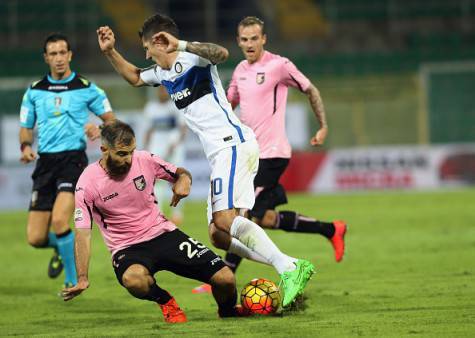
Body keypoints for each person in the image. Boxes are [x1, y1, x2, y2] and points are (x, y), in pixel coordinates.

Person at [96, 13, 314, 308]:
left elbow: (221, 53)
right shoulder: (162, 73)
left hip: (233, 145)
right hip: (221, 154)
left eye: (149, 46)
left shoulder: (193, 59)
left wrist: (181, 44)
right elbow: (135, 76)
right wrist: (110, 51)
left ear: (162, 41)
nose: (146, 53)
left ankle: (288, 269)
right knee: (218, 235)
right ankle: (290, 264)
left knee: (226, 220)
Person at [61, 120, 248, 322]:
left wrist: (184, 182)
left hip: (164, 234)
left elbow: (181, 173)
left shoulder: (144, 160)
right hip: (127, 248)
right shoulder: (87, 183)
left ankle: (228, 312)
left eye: (132, 151)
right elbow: (83, 232)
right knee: (134, 280)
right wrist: (82, 278)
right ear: (104, 150)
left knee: (226, 278)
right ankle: (166, 301)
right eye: (122, 154)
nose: (129, 159)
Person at [219, 16, 348, 277]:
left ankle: (224, 274)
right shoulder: (240, 71)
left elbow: (311, 90)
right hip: (250, 157)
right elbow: (227, 106)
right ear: (238, 42)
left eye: (254, 38)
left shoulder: (279, 65)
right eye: (244, 39)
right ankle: (331, 229)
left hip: (273, 154)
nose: (249, 44)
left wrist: (323, 126)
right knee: (264, 218)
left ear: (264, 39)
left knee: (243, 215)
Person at [19, 33, 115, 290]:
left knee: (61, 221)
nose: (59, 58)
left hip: (73, 161)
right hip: (45, 165)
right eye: (53, 54)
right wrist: (26, 146)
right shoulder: (34, 91)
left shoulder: (87, 88)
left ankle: (74, 281)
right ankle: (62, 248)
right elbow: (26, 127)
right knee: (36, 237)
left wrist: (100, 128)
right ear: (46, 58)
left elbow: (112, 121)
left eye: (63, 53)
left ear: (70, 55)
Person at [143, 86, 187, 225]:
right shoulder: (151, 107)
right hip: (157, 149)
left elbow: (182, 128)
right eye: (160, 90)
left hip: (174, 149)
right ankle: (158, 213)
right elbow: (148, 130)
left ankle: (177, 214)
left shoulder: (175, 106)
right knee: (157, 182)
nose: (162, 92)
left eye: (164, 90)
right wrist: (146, 149)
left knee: (176, 181)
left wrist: (176, 144)